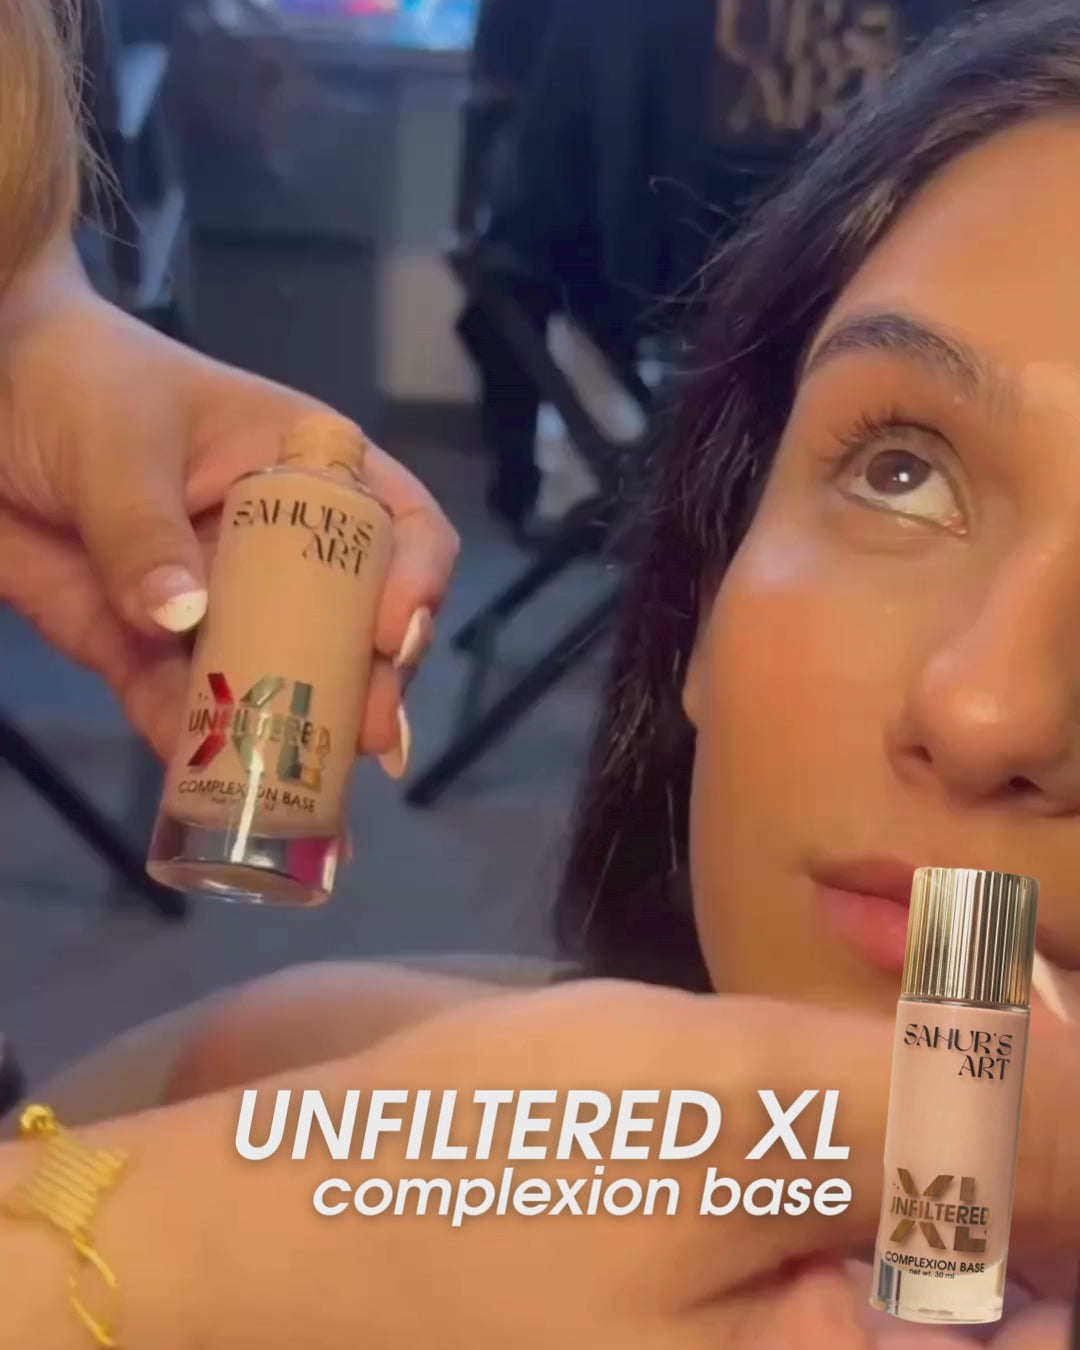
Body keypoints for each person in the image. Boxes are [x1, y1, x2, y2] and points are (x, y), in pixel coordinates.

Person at [4, 1, 1080, 1347]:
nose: (986, 710)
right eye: (900, 470)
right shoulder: (305, 1087)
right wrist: (177, 1250)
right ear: (705, 603)